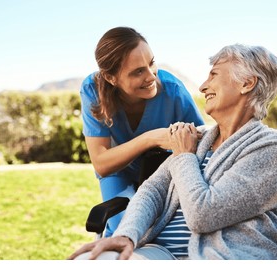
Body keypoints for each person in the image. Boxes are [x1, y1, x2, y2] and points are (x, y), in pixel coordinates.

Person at [69, 44, 277, 260]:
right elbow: (152, 191)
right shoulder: (199, 138)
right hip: (159, 252)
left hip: (227, 255)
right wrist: (126, 235)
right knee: (92, 263)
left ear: (247, 83)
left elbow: (204, 215)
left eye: (213, 75)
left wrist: (185, 156)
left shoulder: (271, 146)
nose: (202, 86)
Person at [80, 26, 204, 237]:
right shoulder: (93, 90)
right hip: (118, 171)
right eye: (138, 71)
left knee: (159, 232)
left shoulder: (173, 90)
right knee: (123, 231)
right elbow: (101, 164)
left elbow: (203, 144)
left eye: (151, 63)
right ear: (111, 78)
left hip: (164, 171)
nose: (151, 76)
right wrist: (149, 138)